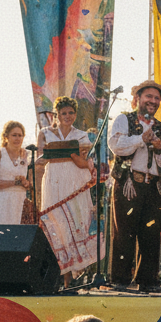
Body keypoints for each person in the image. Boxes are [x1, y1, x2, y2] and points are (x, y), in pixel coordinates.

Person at [108, 79, 161, 292]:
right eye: (149, 96)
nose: (153, 101)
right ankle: (120, 279)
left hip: (153, 186)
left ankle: (148, 280)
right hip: (129, 182)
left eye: (156, 98)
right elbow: (116, 146)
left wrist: (157, 146)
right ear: (138, 98)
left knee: (152, 235)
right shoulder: (123, 120)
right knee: (124, 232)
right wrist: (140, 139)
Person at [36, 97, 97, 286]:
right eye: (63, 113)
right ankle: (61, 277)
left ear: (75, 115)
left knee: (76, 222)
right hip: (54, 180)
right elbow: (40, 158)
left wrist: (75, 156)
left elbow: (84, 161)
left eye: (71, 113)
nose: (67, 116)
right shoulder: (45, 133)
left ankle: (75, 276)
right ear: (56, 115)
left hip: (74, 180)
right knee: (57, 224)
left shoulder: (81, 135)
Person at [0, 121, 31, 224]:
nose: (17, 138)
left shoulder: (27, 154)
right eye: (14, 135)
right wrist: (14, 183)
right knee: (0, 234)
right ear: (6, 137)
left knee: (18, 235)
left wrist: (26, 183)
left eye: (20, 135)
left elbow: (31, 183)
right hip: (1, 200)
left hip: (20, 201)